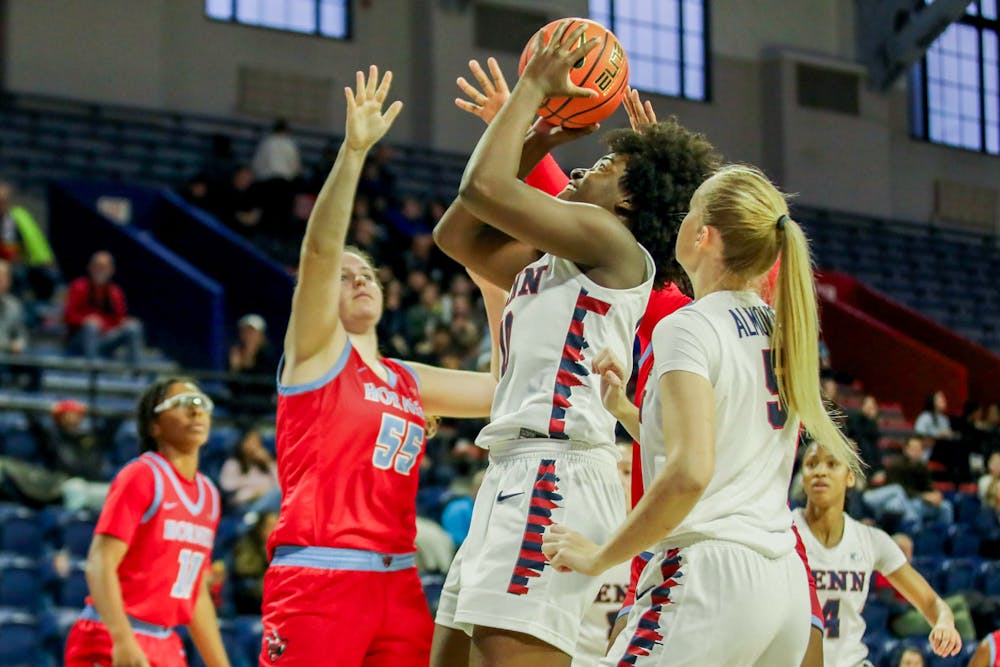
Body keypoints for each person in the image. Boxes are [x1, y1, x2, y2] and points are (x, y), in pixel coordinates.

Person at [430, 25, 719, 666]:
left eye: (607, 166)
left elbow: (484, 190)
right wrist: (536, 135)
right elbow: (457, 233)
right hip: (513, 472)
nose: (588, 166)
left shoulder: (613, 246)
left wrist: (531, 91)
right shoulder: (562, 261)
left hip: (554, 474)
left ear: (631, 201)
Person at [541, 163, 862, 666]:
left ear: (703, 234)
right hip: (783, 585)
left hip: (711, 575)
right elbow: (726, 441)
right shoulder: (780, 325)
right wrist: (625, 409)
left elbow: (692, 470)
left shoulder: (688, 326)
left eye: (689, 211)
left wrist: (600, 557)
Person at [258, 66, 504, 667]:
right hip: (321, 575)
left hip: (398, 581)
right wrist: (353, 152)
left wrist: (492, 284)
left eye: (366, 271)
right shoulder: (317, 354)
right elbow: (319, 249)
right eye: (344, 277)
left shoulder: (406, 379)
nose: (358, 277)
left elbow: (505, 389)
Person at [63, 378, 230, 667]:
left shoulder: (210, 495)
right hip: (111, 631)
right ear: (155, 426)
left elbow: (196, 594)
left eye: (201, 403)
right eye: (181, 404)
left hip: (166, 642)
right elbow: (99, 563)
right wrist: (122, 638)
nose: (195, 411)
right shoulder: (142, 476)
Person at [793, 440, 962, 667]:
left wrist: (944, 622)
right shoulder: (783, 530)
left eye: (832, 464)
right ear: (802, 477)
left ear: (850, 477)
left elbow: (932, 603)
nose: (820, 472)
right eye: (811, 464)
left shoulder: (870, 540)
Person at [64, 250, 144, 364]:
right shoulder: (79, 286)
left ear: (111, 270)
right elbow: (69, 316)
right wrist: (85, 320)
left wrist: (125, 322)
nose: (100, 270)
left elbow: (118, 319)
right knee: (92, 326)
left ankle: (137, 372)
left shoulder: (115, 292)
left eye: (104, 267)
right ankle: (92, 370)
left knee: (133, 327)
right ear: (90, 268)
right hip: (80, 339)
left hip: (105, 338)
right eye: (97, 266)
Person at [218, 428, 279, 514]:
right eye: (250, 442)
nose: (254, 446)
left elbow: (279, 485)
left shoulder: (264, 465)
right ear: (242, 444)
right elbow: (226, 485)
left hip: (266, 501)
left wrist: (269, 461)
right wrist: (254, 491)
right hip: (244, 503)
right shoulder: (233, 463)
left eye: (256, 442)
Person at [232, 510, 278, 615]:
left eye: (277, 526)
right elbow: (244, 569)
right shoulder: (247, 545)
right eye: (270, 526)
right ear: (261, 529)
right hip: (251, 599)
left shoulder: (284, 549)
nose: (274, 531)